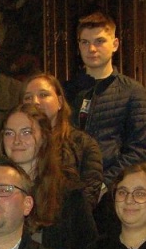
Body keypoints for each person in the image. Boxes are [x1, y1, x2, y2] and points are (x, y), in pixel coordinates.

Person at [0, 104, 96, 249]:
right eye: (9, 133)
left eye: (26, 132)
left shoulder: (69, 195)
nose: (16, 140)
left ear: (44, 137)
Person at [63, 12, 146, 189]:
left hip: (112, 189)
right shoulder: (65, 91)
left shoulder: (133, 91)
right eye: (85, 42)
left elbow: (140, 149)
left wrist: (106, 183)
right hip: (69, 187)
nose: (92, 49)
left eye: (99, 41)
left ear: (115, 44)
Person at [22, 72, 105, 209]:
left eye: (43, 95)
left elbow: (88, 195)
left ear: (60, 102)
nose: (35, 102)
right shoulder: (14, 142)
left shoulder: (83, 144)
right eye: (28, 98)